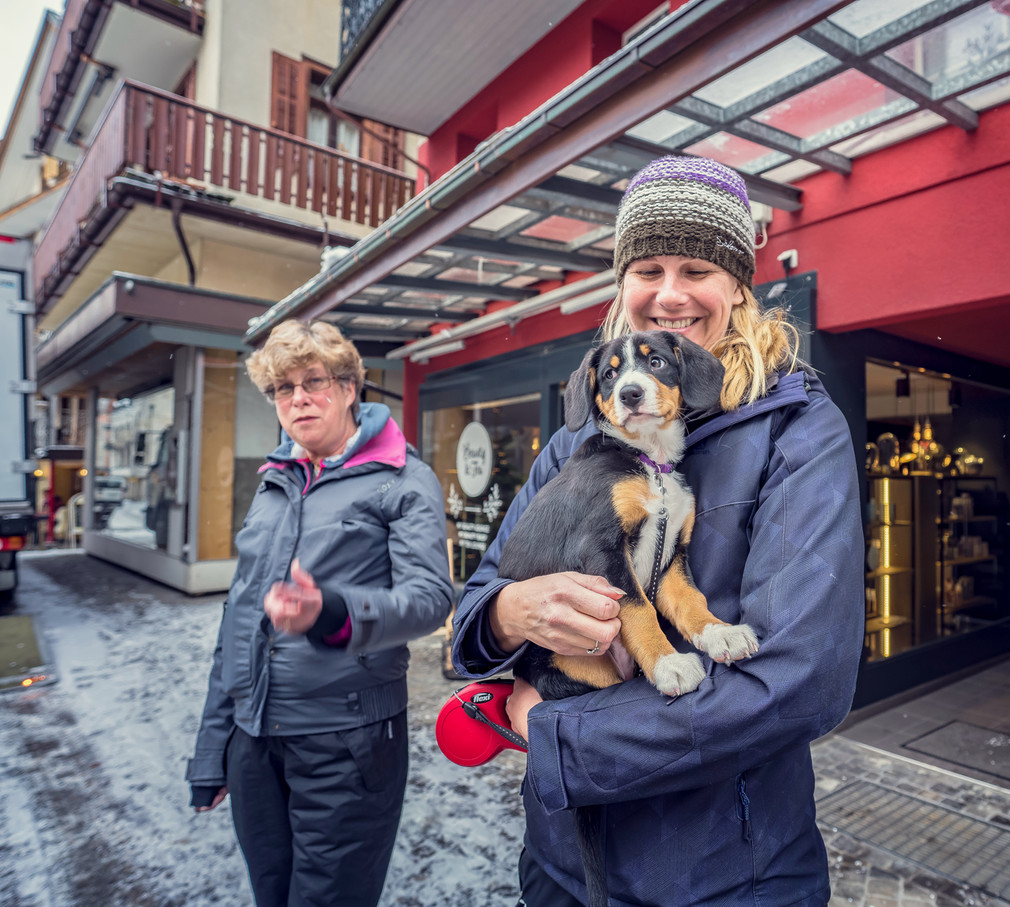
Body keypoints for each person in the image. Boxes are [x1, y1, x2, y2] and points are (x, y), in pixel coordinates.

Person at [451, 156, 864, 906]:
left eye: (697, 267)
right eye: (648, 267)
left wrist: (557, 736)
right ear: (622, 284)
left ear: (738, 283)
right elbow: (482, 599)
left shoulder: (799, 431)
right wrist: (510, 612)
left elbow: (803, 679)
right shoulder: (575, 444)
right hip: (561, 866)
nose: (669, 293)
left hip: (725, 879)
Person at [186, 320, 454, 907]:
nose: (299, 398)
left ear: (351, 388)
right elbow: (237, 622)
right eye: (284, 388)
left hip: (349, 741)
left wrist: (331, 612)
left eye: (315, 381)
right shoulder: (275, 481)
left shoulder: (403, 480)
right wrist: (214, 750)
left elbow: (432, 597)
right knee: (273, 894)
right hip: (255, 738)